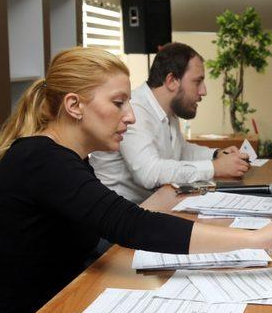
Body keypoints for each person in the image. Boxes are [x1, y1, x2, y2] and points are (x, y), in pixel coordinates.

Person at [0, 47, 272, 313]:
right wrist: (254, 239)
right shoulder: (43, 160)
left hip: (47, 311)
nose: (130, 117)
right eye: (119, 103)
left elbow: (111, 222)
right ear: (74, 106)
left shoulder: (66, 157)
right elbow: (131, 225)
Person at [90, 42, 250, 204]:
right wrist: (215, 167)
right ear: (172, 80)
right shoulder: (135, 110)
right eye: (197, 81)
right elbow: (149, 173)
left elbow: (181, 150)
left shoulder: (168, 110)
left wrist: (216, 155)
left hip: (150, 207)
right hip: (118, 216)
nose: (203, 91)